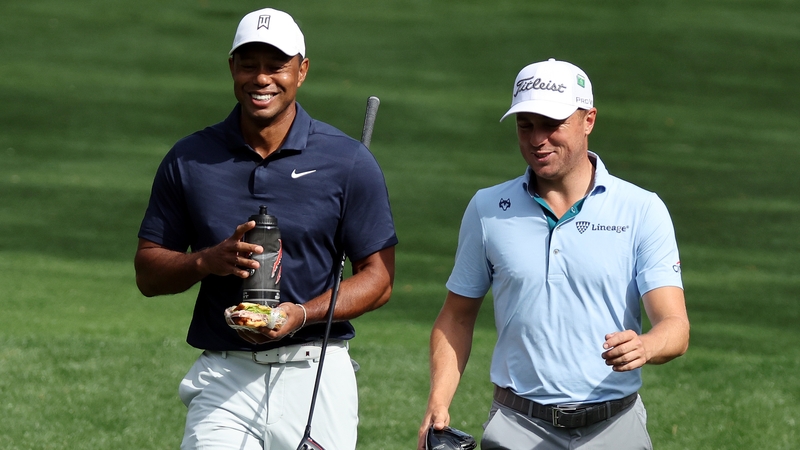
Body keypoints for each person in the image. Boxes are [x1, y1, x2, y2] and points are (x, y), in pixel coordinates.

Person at [134, 7, 397, 450]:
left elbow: (380, 279)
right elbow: (148, 272)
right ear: (232, 67)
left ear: (302, 70)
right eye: (248, 64)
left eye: (276, 65)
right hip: (225, 373)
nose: (261, 78)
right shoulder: (189, 158)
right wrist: (206, 261)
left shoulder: (347, 161)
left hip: (315, 368)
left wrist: (302, 314)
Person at [417, 58, 690, 450]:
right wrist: (438, 402)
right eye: (525, 125)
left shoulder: (641, 209)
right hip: (516, 426)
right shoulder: (488, 207)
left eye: (551, 124)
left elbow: (676, 327)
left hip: (614, 428)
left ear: (589, 120)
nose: (536, 139)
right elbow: (457, 315)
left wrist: (645, 346)